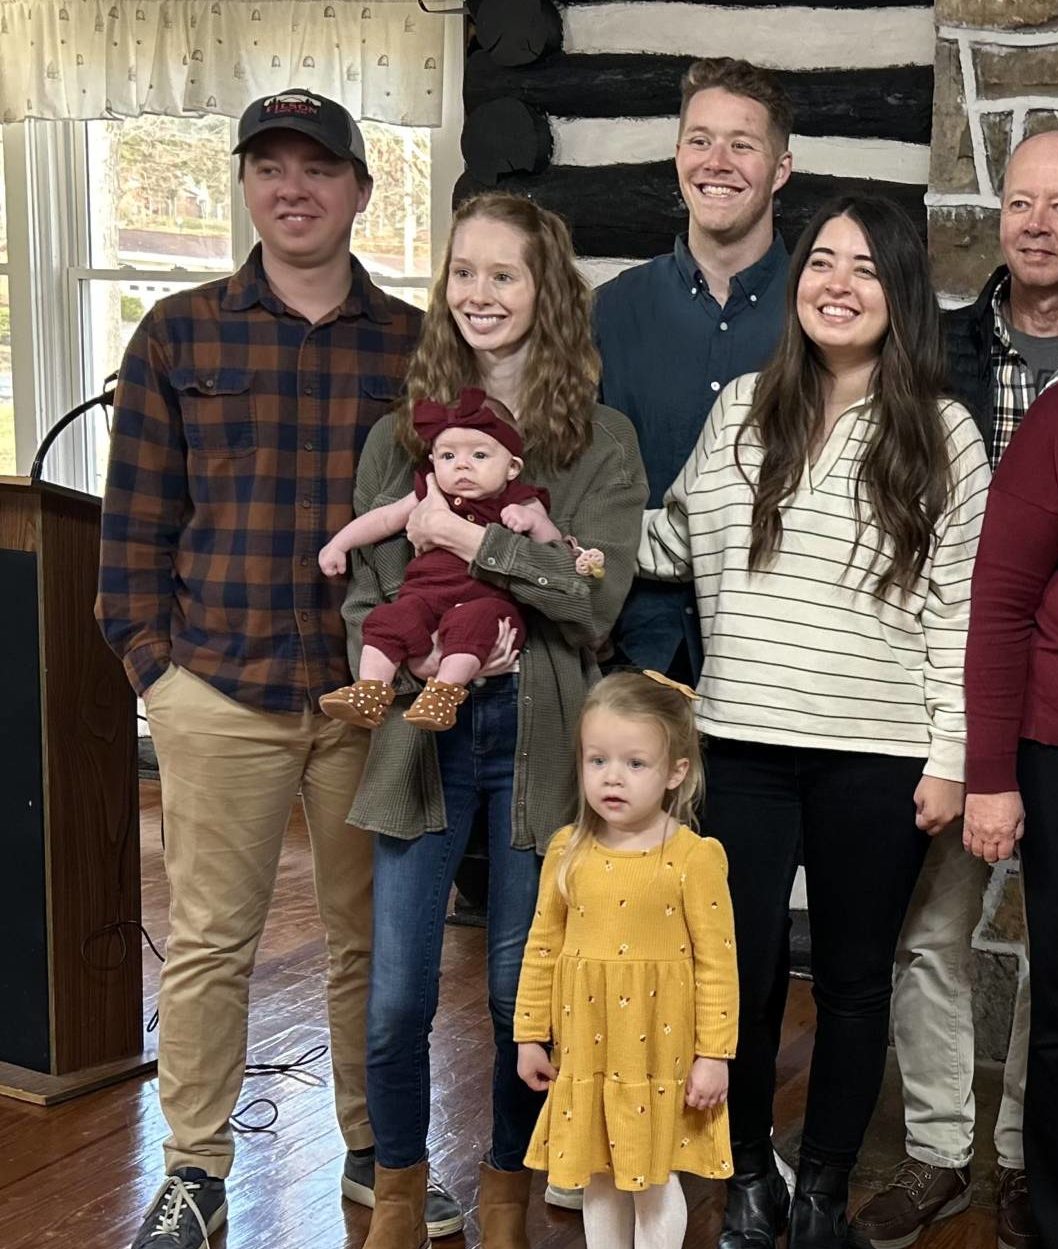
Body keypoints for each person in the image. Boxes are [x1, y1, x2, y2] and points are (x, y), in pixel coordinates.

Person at [97, 89, 425, 1249]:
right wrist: (156, 672)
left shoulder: (414, 346)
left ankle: (376, 1151)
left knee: (369, 943)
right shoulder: (177, 335)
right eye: (270, 167)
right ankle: (195, 1170)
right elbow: (133, 528)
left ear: (360, 190)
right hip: (219, 689)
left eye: (318, 168)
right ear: (243, 184)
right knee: (209, 943)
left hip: (367, 698)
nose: (294, 188)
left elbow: (448, 516)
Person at [638, 195, 989, 1249]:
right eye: (822, 262)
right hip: (741, 741)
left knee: (851, 981)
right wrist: (555, 529)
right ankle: (750, 1174)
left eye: (866, 268)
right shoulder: (746, 408)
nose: (838, 283)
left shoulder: (943, 432)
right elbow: (673, 539)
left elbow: (961, 613)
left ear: (901, 294)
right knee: (738, 975)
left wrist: (951, 756)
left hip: (877, 755)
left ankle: (824, 1190)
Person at [345, 191, 648, 1249]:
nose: (478, 293)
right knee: (397, 994)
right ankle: (396, 1195)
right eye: (463, 272)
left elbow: (595, 604)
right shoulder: (401, 437)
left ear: (546, 290)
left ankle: (508, 1196)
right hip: (420, 734)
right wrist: (416, 657)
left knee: (525, 990)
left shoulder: (600, 442)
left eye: (503, 274)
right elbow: (365, 593)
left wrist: (478, 548)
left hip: (540, 737)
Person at [856, 127, 1058, 1249]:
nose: (1038, 225)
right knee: (931, 929)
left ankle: (1021, 1156)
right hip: (951, 677)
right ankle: (935, 1150)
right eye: (1020, 202)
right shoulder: (933, 349)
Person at [513, 671, 739, 1248]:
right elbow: (542, 947)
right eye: (598, 760)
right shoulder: (567, 850)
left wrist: (714, 1054)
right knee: (597, 1174)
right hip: (587, 1046)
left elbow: (718, 964)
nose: (612, 777)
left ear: (675, 773)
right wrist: (530, 1035)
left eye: (635, 763)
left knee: (652, 1178)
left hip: (657, 1050)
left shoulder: (693, 857)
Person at [599, 57, 795, 680]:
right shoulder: (610, 310)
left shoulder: (821, 311)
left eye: (743, 145)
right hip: (629, 651)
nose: (717, 162)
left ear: (781, 169)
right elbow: (571, 472)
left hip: (775, 658)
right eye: (700, 140)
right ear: (677, 155)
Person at [319, 390, 590, 731]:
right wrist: (339, 544)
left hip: (488, 602)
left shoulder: (520, 500)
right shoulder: (431, 493)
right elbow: (385, 519)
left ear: (512, 467)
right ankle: (371, 690)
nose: (462, 465)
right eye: (448, 455)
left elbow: (556, 551)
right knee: (387, 620)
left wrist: (534, 523)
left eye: (479, 455)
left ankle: (443, 695)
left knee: (472, 623)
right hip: (424, 596)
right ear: (433, 460)